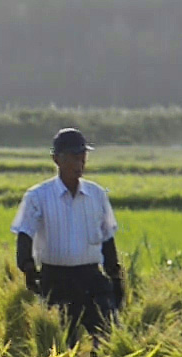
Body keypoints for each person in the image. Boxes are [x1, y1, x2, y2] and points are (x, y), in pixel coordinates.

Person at [11, 127, 123, 342]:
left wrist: (115, 274)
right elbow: (25, 234)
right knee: (62, 342)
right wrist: (27, 267)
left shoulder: (97, 195)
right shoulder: (38, 196)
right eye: (73, 156)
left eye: (83, 156)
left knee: (108, 337)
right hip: (56, 280)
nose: (80, 162)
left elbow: (107, 237)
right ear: (56, 159)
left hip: (91, 278)